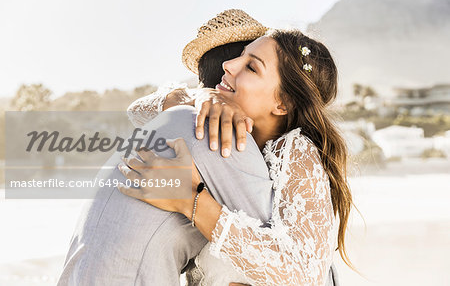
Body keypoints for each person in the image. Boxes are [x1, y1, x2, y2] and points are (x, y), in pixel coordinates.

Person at [57, 9, 286, 286]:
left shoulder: (171, 120)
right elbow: (277, 262)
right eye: (249, 64)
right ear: (228, 76)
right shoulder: (222, 135)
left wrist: (196, 95)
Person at [119, 28, 352, 285]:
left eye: (251, 67)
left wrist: (190, 200)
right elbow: (138, 112)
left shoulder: (295, 150)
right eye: (240, 55)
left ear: (282, 104)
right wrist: (199, 96)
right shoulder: (220, 139)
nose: (228, 66)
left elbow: (302, 275)